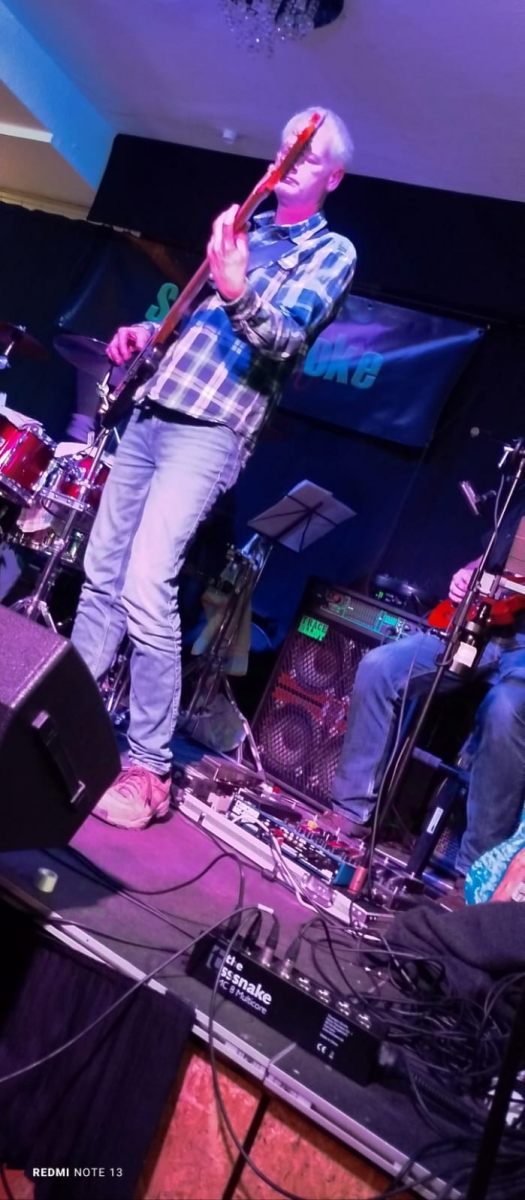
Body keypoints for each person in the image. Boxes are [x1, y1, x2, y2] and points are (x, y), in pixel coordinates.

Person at [71, 107, 357, 829]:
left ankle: (147, 769)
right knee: (101, 574)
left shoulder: (331, 251)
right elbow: (196, 327)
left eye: (309, 153)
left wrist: (236, 287)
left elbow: (284, 339)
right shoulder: (247, 231)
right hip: (155, 406)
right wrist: (149, 335)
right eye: (286, 145)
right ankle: (64, 724)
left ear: (332, 177)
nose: (290, 158)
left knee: (146, 582)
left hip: (212, 429)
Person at [328, 505, 525, 881]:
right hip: (479, 629)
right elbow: (497, 559)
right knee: (380, 667)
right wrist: (469, 574)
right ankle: (350, 813)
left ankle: (476, 872)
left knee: (504, 710)